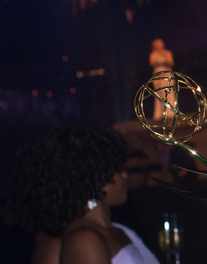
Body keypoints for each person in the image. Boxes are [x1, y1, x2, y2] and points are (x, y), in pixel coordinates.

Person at [5, 123, 159, 264]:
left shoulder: (121, 230)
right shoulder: (83, 239)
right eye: (115, 169)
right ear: (89, 178)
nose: (125, 175)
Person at [148, 38, 174, 121]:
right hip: (157, 74)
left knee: (168, 92)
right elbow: (151, 63)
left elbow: (171, 63)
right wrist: (156, 53)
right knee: (159, 93)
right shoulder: (153, 54)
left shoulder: (167, 52)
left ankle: (170, 113)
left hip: (166, 73)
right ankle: (159, 114)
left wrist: (164, 55)